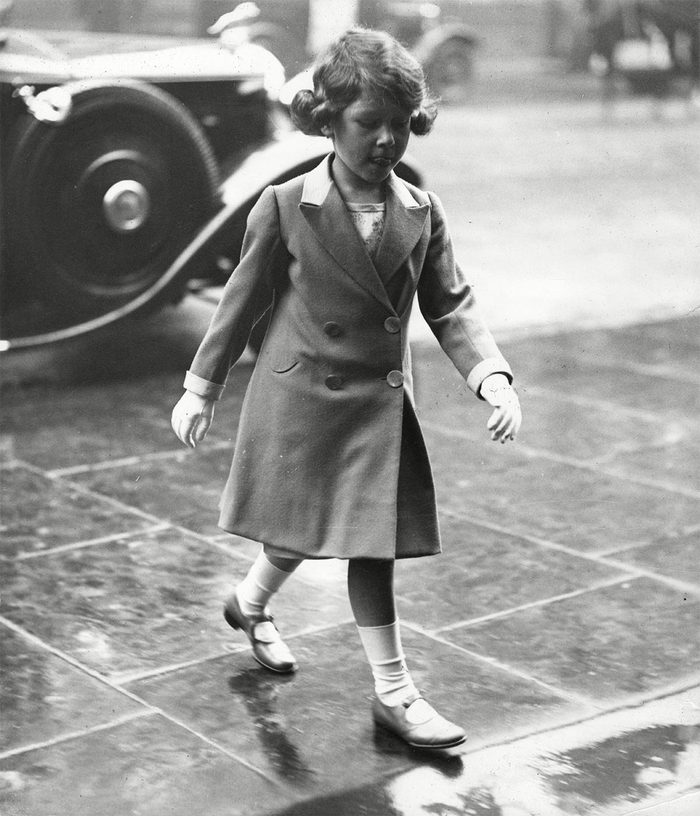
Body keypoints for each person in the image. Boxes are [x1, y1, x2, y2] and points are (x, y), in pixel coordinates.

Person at [171, 28, 521, 751]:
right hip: (301, 398)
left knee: (368, 543)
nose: (387, 140)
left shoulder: (422, 211)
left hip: (376, 406)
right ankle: (249, 603)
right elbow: (239, 301)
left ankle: (394, 693)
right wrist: (200, 386)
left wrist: (489, 375)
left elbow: (451, 305)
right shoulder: (284, 204)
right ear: (328, 119)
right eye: (369, 123)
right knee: (299, 530)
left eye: (400, 123)